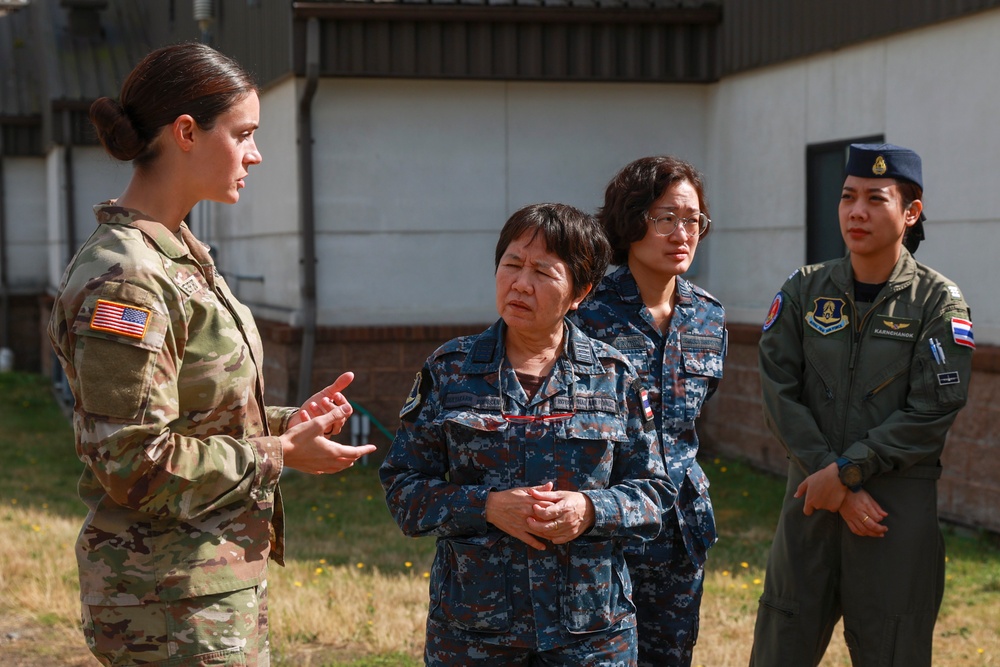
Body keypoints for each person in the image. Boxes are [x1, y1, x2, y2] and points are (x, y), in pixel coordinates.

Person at [47, 43, 376, 666]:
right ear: (187, 132)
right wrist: (280, 454)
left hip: (202, 587)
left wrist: (285, 424)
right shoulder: (127, 279)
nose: (255, 154)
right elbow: (132, 459)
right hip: (168, 605)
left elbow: (191, 410)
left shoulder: (178, 252)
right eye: (245, 134)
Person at [380, 203, 675, 666]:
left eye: (543, 271)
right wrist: (487, 507)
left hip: (590, 636)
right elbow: (403, 489)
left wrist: (590, 509)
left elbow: (655, 493)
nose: (520, 283)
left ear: (581, 291)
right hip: (475, 633)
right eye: (512, 264)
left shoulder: (614, 377)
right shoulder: (452, 370)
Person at [750, 143, 974, 666]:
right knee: (779, 651)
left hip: (891, 518)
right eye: (849, 197)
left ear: (911, 212)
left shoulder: (938, 303)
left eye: (876, 199)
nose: (857, 211)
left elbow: (933, 410)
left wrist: (850, 472)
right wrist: (834, 480)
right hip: (809, 504)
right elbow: (777, 395)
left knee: (893, 652)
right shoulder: (804, 291)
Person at [573, 155, 727, 666]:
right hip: (604, 532)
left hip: (681, 533)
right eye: (666, 218)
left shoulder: (707, 314)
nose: (682, 232)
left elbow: (689, 424)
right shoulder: (585, 312)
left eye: (693, 220)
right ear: (631, 219)